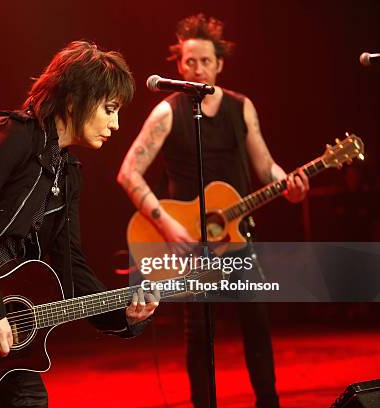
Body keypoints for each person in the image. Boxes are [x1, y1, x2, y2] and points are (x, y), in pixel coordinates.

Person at [0, 41, 158, 407]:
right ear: (74, 100)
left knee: (29, 398)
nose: (116, 125)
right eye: (109, 109)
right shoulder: (13, 135)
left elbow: (71, 262)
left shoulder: (67, 173)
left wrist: (123, 315)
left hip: (5, 327)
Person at [117, 14, 309, 408]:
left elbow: (266, 166)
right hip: (188, 244)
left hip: (237, 239)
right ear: (179, 64)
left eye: (205, 61)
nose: (197, 68)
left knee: (257, 325)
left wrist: (287, 183)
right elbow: (129, 172)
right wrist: (168, 225)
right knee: (199, 334)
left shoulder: (242, 108)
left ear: (219, 64)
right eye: (190, 62)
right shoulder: (167, 112)